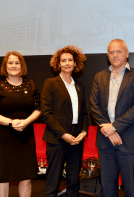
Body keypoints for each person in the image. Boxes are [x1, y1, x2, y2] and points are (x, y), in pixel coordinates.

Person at [90, 39, 134, 197]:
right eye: (111, 52)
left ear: (127, 54)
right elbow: (94, 106)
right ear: (107, 55)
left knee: (131, 189)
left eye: (119, 51)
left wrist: (114, 127)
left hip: (129, 142)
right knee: (107, 189)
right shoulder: (99, 76)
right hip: (105, 141)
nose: (115, 55)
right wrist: (109, 130)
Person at [0, 51, 41, 197]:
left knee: (26, 176)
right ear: (5, 66)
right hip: (3, 138)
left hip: (25, 137)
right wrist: (11, 122)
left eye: (17, 63)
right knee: (2, 177)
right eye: (10, 63)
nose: (14, 66)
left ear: (22, 66)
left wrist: (26, 122)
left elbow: (38, 109)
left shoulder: (31, 85)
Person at [41, 45, 88, 197]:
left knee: (74, 180)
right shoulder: (50, 83)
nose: (67, 63)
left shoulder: (79, 86)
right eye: (63, 60)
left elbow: (84, 113)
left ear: (75, 63)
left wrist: (83, 132)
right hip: (57, 138)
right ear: (58, 63)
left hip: (76, 138)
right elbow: (46, 114)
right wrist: (63, 134)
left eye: (70, 60)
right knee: (53, 181)